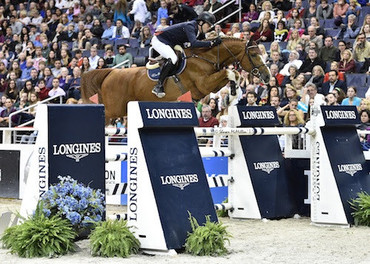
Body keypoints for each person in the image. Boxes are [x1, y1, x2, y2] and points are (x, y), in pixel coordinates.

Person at [151, 12, 220, 98]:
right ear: (201, 23)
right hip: (160, 40)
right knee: (173, 58)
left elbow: (203, 43)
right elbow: (194, 43)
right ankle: (158, 85)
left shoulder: (199, 31)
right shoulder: (190, 26)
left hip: (171, 42)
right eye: (208, 25)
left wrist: (215, 40)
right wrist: (212, 43)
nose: (209, 27)